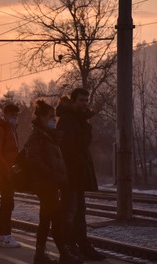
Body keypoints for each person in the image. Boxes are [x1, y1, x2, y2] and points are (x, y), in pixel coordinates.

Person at [25, 100, 82, 264]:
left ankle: (42, 254)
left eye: (53, 117)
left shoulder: (48, 135)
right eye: (50, 117)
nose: (53, 120)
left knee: (47, 218)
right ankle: (62, 254)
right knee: (55, 218)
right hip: (45, 184)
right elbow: (33, 159)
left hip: (50, 184)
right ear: (41, 117)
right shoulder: (37, 135)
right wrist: (50, 173)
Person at [56, 88, 106, 261]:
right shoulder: (67, 120)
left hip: (78, 173)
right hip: (70, 174)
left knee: (79, 212)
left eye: (86, 100)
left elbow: (83, 145)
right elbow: (67, 148)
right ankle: (69, 247)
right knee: (70, 212)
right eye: (81, 101)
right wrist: (79, 164)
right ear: (74, 101)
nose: (85, 104)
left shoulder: (79, 120)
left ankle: (82, 246)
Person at [0, 104, 21, 248]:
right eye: (13, 114)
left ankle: (4, 236)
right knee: (7, 204)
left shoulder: (11, 130)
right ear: (6, 114)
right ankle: (4, 236)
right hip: (4, 173)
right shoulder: (0, 129)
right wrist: (7, 170)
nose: (15, 117)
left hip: (9, 172)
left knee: (8, 204)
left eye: (16, 114)